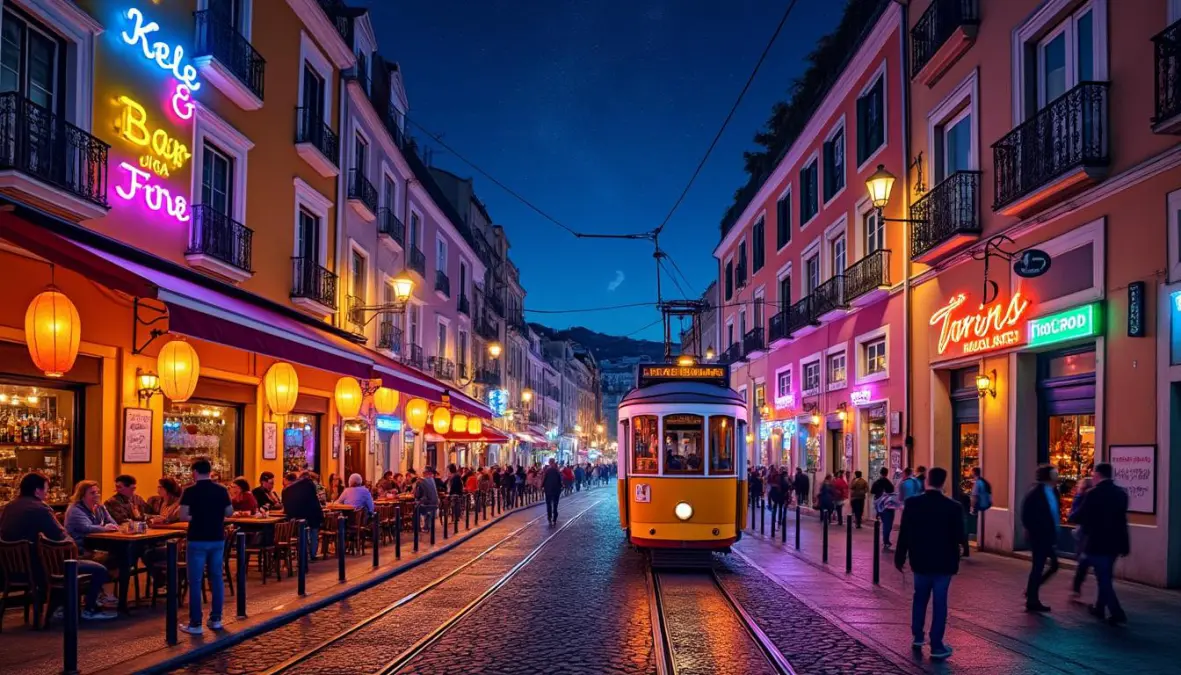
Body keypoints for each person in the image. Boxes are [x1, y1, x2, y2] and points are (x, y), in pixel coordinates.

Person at [0, 473, 117, 620]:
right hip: (40, 567)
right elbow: (62, 537)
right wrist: (75, 548)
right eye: (46, 489)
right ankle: (89, 610)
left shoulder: (8, 507)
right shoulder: (41, 508)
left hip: (12, 569)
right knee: (99, 569)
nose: (47, 493)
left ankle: (62, 607)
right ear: (37, 491)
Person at [894, 467, 962, 661]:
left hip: (920, 560)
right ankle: (937, 644)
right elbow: (959, 536)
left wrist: (900, 557)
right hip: (944, 562)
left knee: (920, 598)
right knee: (940, 603)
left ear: (927, 481)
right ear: (944, 483)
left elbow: (904, 532)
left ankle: (917, 636)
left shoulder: (913, 504)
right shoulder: (953, 507)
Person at [178, 458, 232, 635]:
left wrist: (198, 517)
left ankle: (196, 623)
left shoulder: (189, 491)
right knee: (216, 578)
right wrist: (214, 515)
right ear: (210, 471)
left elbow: (184, 516)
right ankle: (216, 618)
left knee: (195, 580)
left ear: (194, 472)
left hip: (197, 538)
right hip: (217, 537)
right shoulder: (222, 490)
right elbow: (229, 512)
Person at [1072, 463, 1129, 625]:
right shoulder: (1121, 494)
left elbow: (1080, 516)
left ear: (1097, 474)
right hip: (1115, 543)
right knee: (1105, 576)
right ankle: (1099, 608)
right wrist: (1125, 544)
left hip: (1097, 542)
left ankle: (1117, 612)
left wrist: (1075, 514)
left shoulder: (1093, 494)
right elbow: (1122, 521)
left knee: (1103, 579)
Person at [1021, 464, 1060, 613]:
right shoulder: (1035, 493)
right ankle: (1032, 599)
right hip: (1039, 537)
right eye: (1054, 473)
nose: (1057, 475)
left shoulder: (1053, 491)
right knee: (1038, 567)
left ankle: (1031, 592)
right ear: (1048, 476)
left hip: (1048, 536)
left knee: (1049, 566)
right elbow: (1027, 515)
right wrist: (1034, 530)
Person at [64, 480, 119, 556]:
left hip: (96, 543)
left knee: (126, 545)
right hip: (81, 548)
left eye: (98, 492)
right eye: (92, 493)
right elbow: (86, 527)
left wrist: (112, 526)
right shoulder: (75, 509)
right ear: (82, 495)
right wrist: (105, 528)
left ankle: (126, 567)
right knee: (118, 549)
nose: (97, 495)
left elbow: (113, 523)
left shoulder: (99, 507)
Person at [282, 471, 324, 559]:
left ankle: (303, 554)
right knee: (314, 531)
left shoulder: (288, 489)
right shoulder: (309, 484)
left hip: (294, 517)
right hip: (311, 514)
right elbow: (314, 501)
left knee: (303, 532)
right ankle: (312, 554)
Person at [1068, 477, 1094, 598]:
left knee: (1083, 559)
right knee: (1084, 559)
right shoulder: (1083, 498)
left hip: (1084, 531)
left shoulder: (1080, 498)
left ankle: (1077, 585)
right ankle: (1077, 585)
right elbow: (1075, 515)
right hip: (1085, 531)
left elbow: (1073, 515)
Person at [871, 467, 898, 549]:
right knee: (888, 524)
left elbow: (872, 491)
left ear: (880, 473)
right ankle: (886, 540)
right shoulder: (889, 483)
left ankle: (886, 540)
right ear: (886, 473)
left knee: (884, 522)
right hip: (888, 506)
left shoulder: (877, 482)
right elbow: (892, 493)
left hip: (879, 505)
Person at [414, 467, 440, 532]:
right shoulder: (432, 480)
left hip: (429, 504)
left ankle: (417, 528)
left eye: (423, 473)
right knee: (422, 504)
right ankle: (427, 525)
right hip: (435, 503)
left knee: (416, 508)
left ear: (426, 473)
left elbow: (417, 494)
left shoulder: (421, 481)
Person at [542, 459, 563, 524]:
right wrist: (561, 486)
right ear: (554, 463)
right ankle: (554, 518)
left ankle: (549, 517)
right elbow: (560, 480)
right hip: (556, 490)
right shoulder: (557, 471)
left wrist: (542, 487)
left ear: (549, 463)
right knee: (555, 504)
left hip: (548, 490)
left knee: (548, 504)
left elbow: (544, 479)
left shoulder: (547, 471)